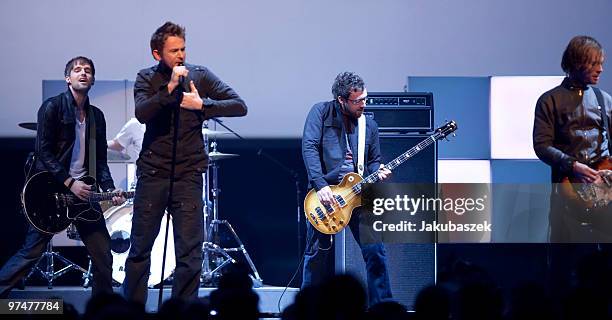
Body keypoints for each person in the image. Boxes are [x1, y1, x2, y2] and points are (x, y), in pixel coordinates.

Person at [122, 21, 247, 304]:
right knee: (141, 249)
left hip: (188, 175)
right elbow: (142, 112)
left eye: (183, 49)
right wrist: (169, 89)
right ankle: (131, 310)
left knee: (190, 253)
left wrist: (202, 105)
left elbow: (239, 105)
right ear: (157, 54)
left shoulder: (200, 76)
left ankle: (182, 311)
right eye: (173, 50)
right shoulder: (146, 78)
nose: (180, 55)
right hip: (153, 174)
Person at [0, 56, 125, 298]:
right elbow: (43, 152)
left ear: (93, 79)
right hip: (50, 191)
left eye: (88, 70)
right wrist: (70, 183)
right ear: (68, 78)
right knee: (30, 253)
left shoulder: (96, 116)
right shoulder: (52, 107)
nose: (83, 73)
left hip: (84, 194)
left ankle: (102, 309)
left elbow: (99, 160)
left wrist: (110, 190)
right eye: (77, 70)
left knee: (103, 256)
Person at [301, 71, 392, 306]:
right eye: (357, 100)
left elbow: (373, 159)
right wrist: (320, 185)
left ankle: (382, 307)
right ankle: (307, 307)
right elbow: (309, 147)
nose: (363, 104)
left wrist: (378, 170)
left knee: (376, 252)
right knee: (317, 256)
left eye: (365, 98)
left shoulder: (368, 125)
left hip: (359, 196)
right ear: (341, 100)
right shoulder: (320, 112)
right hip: (327, 195)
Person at [533, 35, 612, 242]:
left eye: (601, 64)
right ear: (577, 63)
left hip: (605, 190)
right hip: (568, 189)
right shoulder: (549, 100)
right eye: (594, 63)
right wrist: (574, 166)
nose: (600, 69)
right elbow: (541, 146)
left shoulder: (604, 100)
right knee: (566, 255)